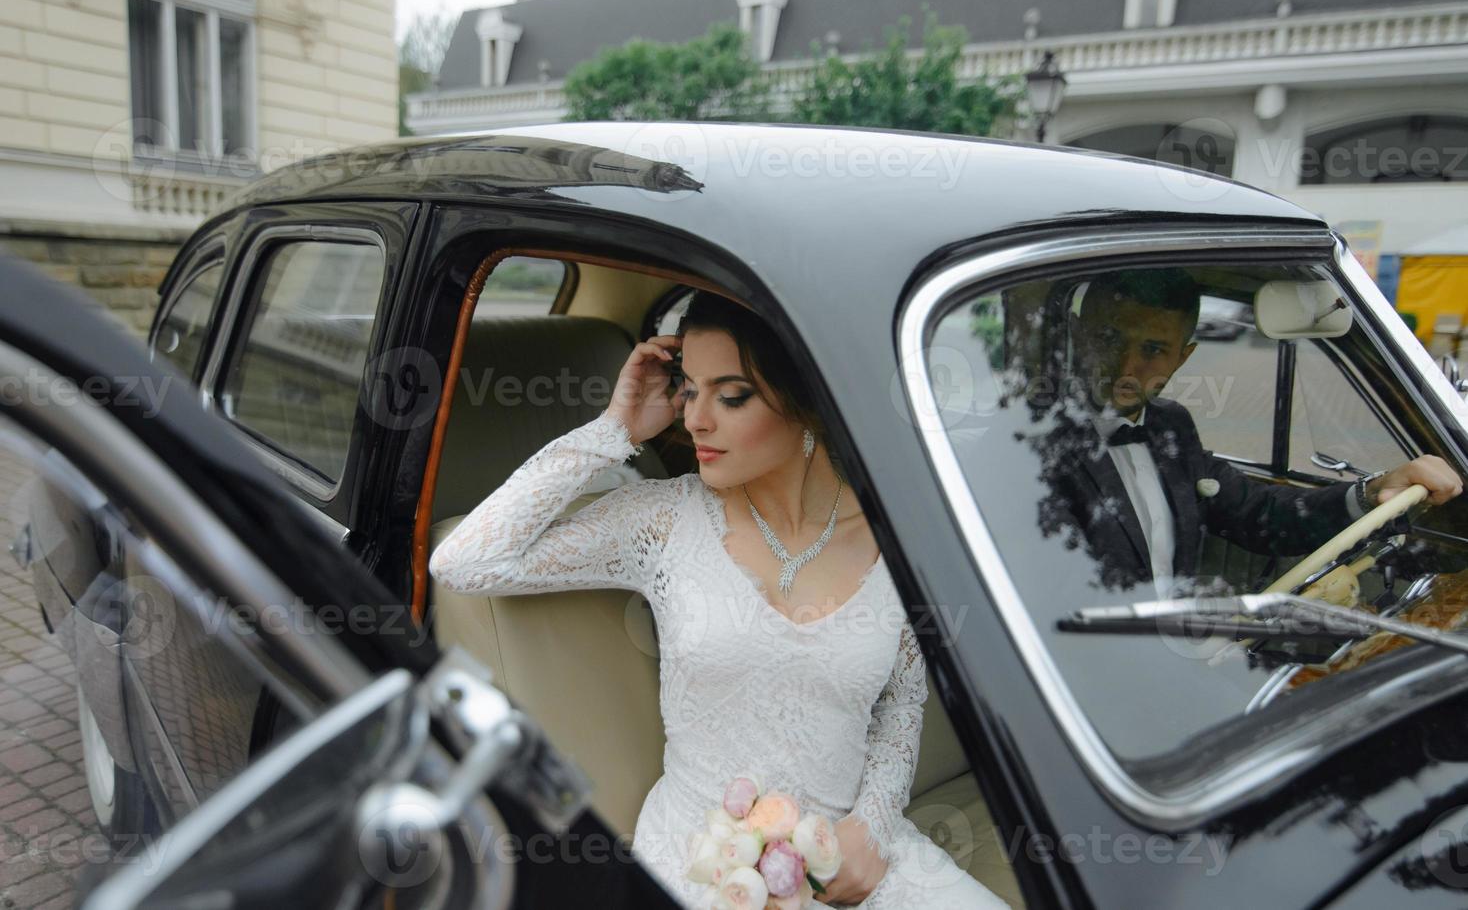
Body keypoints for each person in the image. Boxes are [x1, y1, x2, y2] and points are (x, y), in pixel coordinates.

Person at [429, 291, 1009, 909]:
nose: (695, 420)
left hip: (852, 857)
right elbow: (465, 562)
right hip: (705, 864)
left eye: (730, 396)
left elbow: (902, 702)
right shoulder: (664, 520)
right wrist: (614, 430)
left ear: (809, 401)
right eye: (689, 388)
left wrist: (872, 826)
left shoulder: (897, 537)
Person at [1037, 268, 1462, 593]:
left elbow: (1260, 514)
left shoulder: (1171, 425)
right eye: (1109, 338)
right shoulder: (1030, 439)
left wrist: (1373, 492)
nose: (1127, 366)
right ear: (1078, 334)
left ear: (1182, 358)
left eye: (1153, 349)